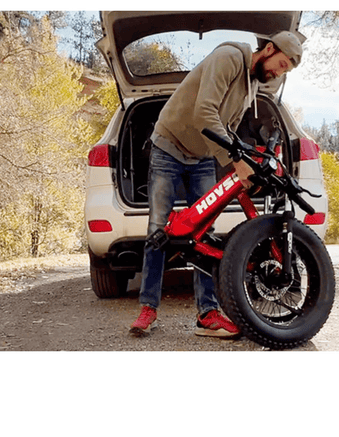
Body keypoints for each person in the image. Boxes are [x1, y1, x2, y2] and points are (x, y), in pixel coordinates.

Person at [129, 30, 304, 338]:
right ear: (270, 49)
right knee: (158, 230)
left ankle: (207, 314)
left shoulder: (251, 86)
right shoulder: (229, 58)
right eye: (281, 64)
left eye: (284, 71)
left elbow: (228, 131)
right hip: (168, 147)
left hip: (200, 157)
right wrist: (234, 161)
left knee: (205, 236)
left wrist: (244, 166)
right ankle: (148, 308)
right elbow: (204, 112)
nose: (278, 72)